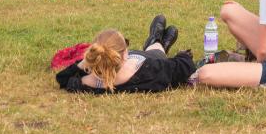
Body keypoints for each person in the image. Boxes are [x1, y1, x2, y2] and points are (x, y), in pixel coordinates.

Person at [56, 14, 192, 93]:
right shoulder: (152, 70)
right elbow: (185, 66)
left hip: (114, 61)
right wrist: (183, 55)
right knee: (156, 49)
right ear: (125, 53)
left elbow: (62, 78)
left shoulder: (85, 83)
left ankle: (156, 38)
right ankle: (157, 41)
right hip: (150, 57)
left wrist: (86, 62)